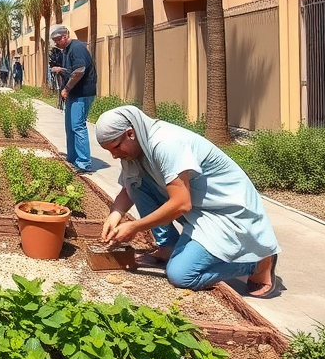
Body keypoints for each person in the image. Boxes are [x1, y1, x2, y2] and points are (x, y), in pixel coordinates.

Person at [95, 106, 280, 297]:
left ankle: (255, 263)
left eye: (116, 147)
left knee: (181, 275)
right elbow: (130, 188)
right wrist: (114, 215)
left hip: (226, 212)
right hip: (199, 207)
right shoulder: (136, 148)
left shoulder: (166, 143)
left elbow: (182, 204)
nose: (115, 155)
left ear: (130, 133)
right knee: (138, 184)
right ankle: (167, 248)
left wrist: (135, 227)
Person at [49, 25, 96, 173]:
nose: (56, 43)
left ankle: (84, 163)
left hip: (81, 94)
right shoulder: (67, 50)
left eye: (57, 40)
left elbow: (79, 70)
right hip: (73, 94)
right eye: (54, 41)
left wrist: (67, 88)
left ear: (65, 36)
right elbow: (72, 70)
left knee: (78, 126)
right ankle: (73, 158)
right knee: (70, 126)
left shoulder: (77, 48)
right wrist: (61, 70)